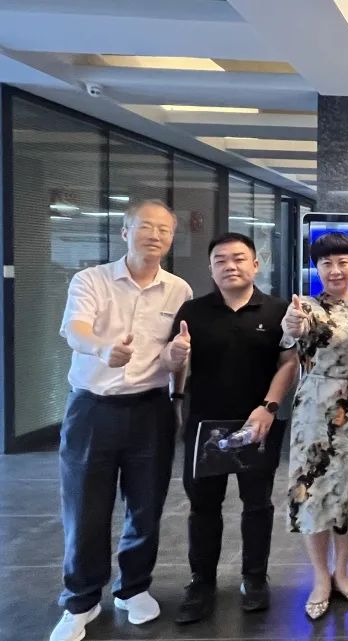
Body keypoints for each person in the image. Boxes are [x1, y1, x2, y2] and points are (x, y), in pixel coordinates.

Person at [51, 200, 192, 641]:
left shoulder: (179, 290)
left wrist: (176, 369)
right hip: (92, 408)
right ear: (125, 232)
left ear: (171, 238)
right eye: (145, 226)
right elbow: (75, 328)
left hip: (151, 408)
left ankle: (133, 587)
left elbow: (174, 354)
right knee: (85, 508)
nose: (155, 235)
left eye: (164, 229)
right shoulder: (91, 280)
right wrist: (102, 348)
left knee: (146, 506)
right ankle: (81, 600)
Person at [164, 232, 299, 624]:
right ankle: (201, 583)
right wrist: (176, 395)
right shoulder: (193, 311)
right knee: (203, 506)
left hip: (259, 422)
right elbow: (177, 361)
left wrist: (269, 407)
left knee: (257, 504)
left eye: (239, 258)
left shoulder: (277, 311)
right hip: (205, 425)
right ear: (211, 269)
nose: (230, 266)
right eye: (220, 260)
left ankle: (254, 578)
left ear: (256, 264)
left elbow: (289, 362)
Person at [281, 232, 348, 619]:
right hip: (318, 409)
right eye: (326, 263)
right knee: (314, 491)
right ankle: (320, 577)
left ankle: (343, 572)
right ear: (317, 268)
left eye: (343, 262)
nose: (335, 270)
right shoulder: (307, 307)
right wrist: (291, 324)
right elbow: (293, 330)